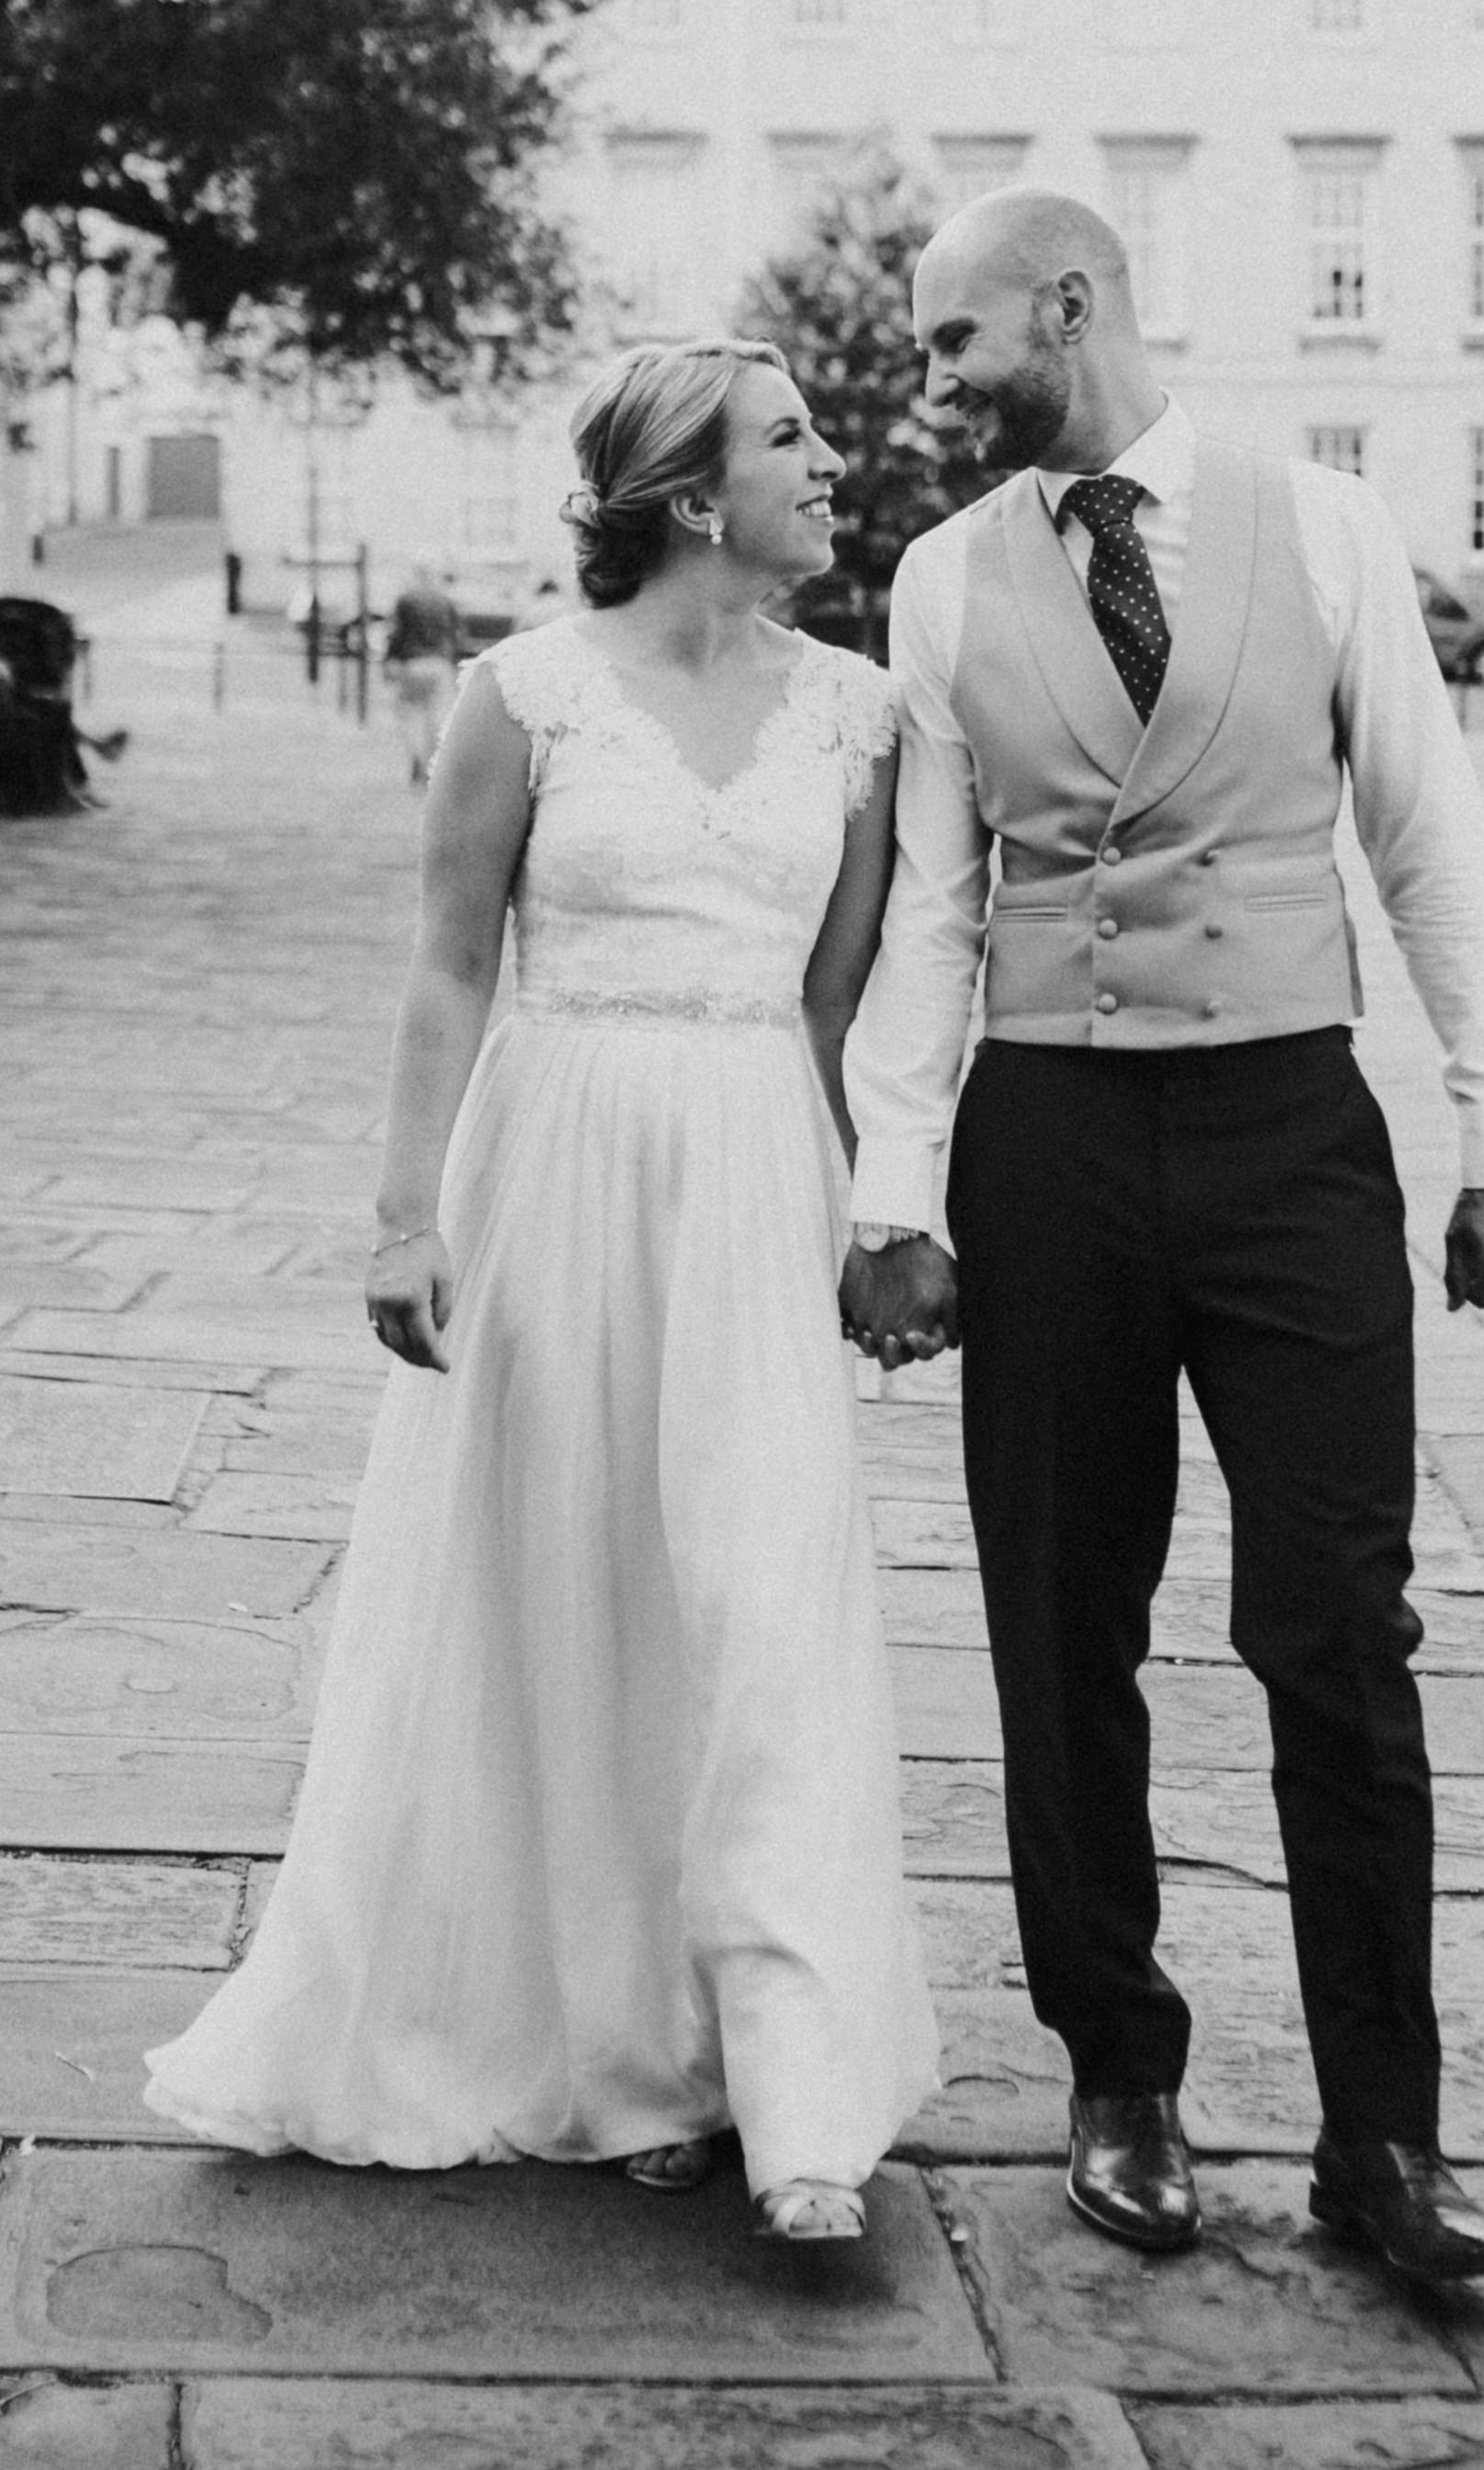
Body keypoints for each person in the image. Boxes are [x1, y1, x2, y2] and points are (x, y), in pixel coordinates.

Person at [144, 340, 942, 2246]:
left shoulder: (863, 716)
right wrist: (402, 1215)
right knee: (572, 1591)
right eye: (792, 438)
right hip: (555, 1166)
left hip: (754, 1167)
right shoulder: (522, 696)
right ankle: (622, 2040)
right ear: (688, 495)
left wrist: (880, 1220)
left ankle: (798, 2085)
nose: (832, 463)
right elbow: (446, 966)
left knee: (763, 1596)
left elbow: (837, 1009)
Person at [838, 188, 1484, 2286]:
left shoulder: (1322, 528)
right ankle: (1119, 2070)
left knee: (1339, 1623)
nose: (935, 385)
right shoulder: (940, 580)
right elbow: (933, 905)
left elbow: (1429, 834)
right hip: (1046, 1136)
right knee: (1062, 1615)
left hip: (1287, 1130)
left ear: (1071, 305)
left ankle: (1386, 2140)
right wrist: (893, 1190)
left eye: (953, 341)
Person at [383, 567, 468, 786]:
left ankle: (418, 757)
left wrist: (391, 659)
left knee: (410, 716)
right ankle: (433, 765)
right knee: (437, 718)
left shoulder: (406, 600)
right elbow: (457, 634)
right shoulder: (445, 601)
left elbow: (396, 632)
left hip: (412, 663)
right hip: (440, 664)